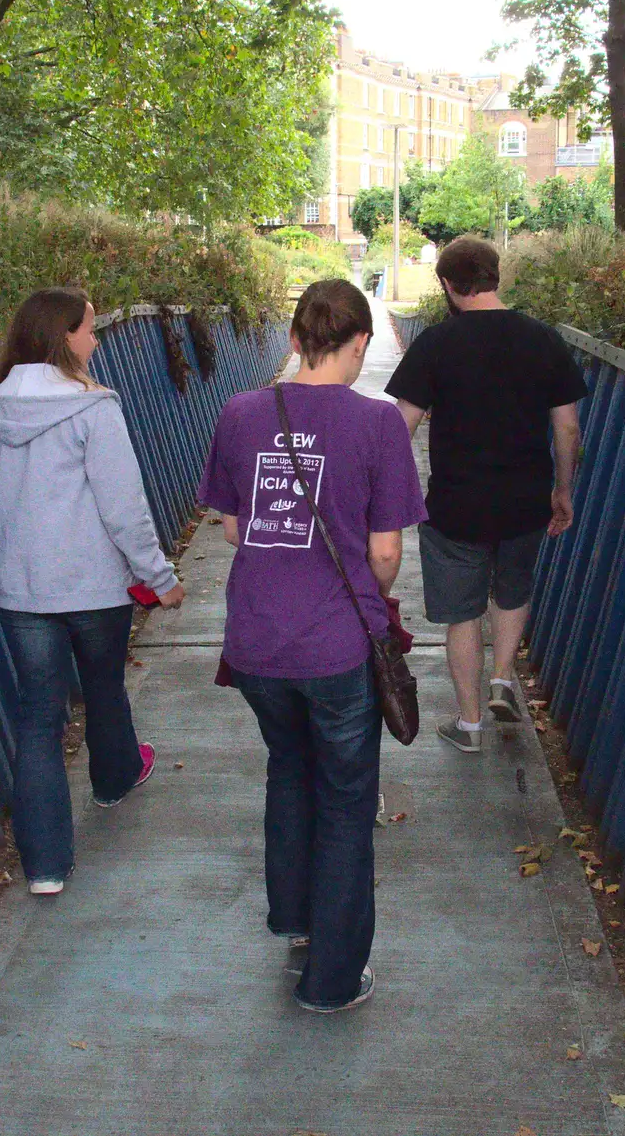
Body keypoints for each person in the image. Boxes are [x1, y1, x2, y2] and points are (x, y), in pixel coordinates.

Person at [199, 279, 425, 1013]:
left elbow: (233, 528)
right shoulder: (377, 423)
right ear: (359, 342)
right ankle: (331, 980)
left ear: (295, 339)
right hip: (335, 646)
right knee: (346, 798)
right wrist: (363, 579)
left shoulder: (240, 413)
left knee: (289, 770)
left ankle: (295, 920)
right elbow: (386, 554)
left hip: (257, 642)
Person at [0, 288, 185, 898]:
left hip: (22, 586)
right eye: (90, 330)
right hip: (92, 583)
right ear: (64, 335)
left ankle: (43, 867)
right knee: (103, 684)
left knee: (38, 719)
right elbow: (122, 507)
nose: (95, 341)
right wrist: (159, 578)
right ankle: (114, 779)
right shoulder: (92, 407)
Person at [384, 236, 586, 753]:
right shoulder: (543, 340)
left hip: (455, 506)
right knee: (513, 589)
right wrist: (561, 491)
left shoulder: (436, 343)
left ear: (448, 285)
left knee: (463, 614)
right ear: (497, 276)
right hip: (525, 502)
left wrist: (391, 492)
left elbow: (399, 426)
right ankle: (502, 678)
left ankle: (470, 725)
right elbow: (566, 428)